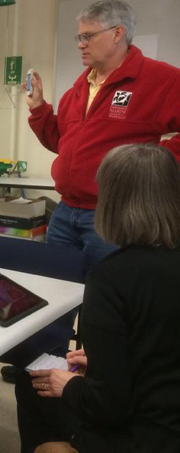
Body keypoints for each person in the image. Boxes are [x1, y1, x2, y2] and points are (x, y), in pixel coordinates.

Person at [15, 143, 180, 453]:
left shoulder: (110, 279)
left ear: (110, 202)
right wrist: (106, 361)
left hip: (142, 436)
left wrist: (71, 386)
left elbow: (107, 407)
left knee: (32, 384)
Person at [24, 0, 180, 271]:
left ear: (118, 33)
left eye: (88, 36)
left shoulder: (161, 80)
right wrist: (38, 109)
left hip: (116, 214)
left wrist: (154, 163)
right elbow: (62, 143)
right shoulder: (77, 90)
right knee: (56, 288)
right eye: (79, 37)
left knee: (107, 291)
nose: (80, 44)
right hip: (65, 212)